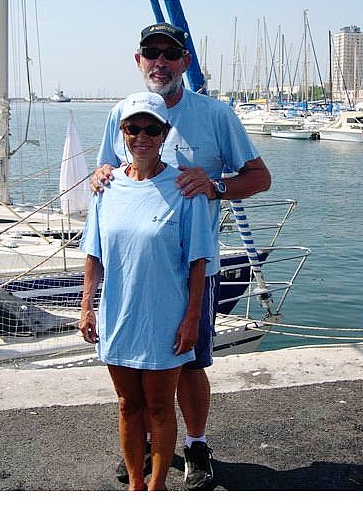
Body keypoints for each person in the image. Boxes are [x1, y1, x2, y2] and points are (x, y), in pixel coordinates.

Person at [91, 22, 272, 490]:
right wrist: (100, 175)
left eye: (170, 53)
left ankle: (195, 444)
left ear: (184, 62)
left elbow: (259, 177)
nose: (160, 61)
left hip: (194, 265)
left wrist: (215, 186)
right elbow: (109, 167)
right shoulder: (121, 113)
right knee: (136, 373)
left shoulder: (215, 115)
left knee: (189, 363)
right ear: (139, 61)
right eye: (151, 52)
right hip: (138, 269)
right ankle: (145, 449)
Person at [80, 91, 214, 491]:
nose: (141, 137)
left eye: (151, 129)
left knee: (158, 407)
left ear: (164, 133)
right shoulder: (106, 187)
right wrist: (86, 307)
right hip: (118, 315)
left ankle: (157, 489)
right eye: (133, 128)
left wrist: (192, 318)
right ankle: (136, 485)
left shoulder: (185, 188)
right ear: (122, 133)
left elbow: (198, 261)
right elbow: (93, 253)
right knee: (127, 405)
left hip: (165, 318)